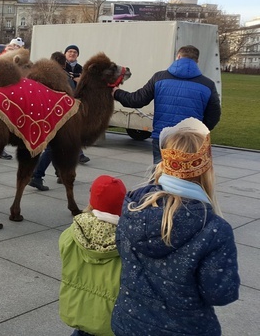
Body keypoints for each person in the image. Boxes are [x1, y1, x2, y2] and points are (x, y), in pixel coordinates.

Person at [111, 117, 239, 335]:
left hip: (129, 324)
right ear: (206, 171)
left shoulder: (132, 210)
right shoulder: (215, 230)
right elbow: (220, 293)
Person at [113, 45, 221, 164]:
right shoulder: (208, 85)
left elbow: (136, 100)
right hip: (191, 139)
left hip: (163, 137)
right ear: (197, 61)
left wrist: (116, 93)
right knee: (187, 176)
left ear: (178, 57)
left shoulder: (159, 78)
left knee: (160, 174)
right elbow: (214, 115)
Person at [59, 175, 126, 336]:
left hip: (79, 310)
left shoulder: (72, 233)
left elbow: (64, 248)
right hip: (109, 319)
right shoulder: (127, 242)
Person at [29, 51, 82, 191]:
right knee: (53, 147)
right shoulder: (63, 77)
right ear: (64, 64)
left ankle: (59, 173)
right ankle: (37, 175)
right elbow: (73, 95)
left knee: (53, 146)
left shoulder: (38, 74)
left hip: (41, 114)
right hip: (58, 116)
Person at [0, 37, 25, 160]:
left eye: (17, 47)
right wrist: (7, 54)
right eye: (13, 46)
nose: (14, 49)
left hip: (12, 96)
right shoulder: (0, 56)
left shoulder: (21, 61)